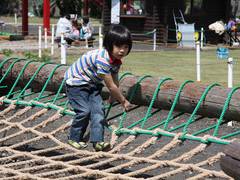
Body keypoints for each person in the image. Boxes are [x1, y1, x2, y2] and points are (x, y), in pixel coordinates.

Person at [65, 24, 133, 151]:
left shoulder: (116, 60)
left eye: (126, 47)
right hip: (76, 83)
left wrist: (113, 97)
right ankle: (74, 138)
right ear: (109, 45)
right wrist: (123, 101)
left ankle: (98, 141)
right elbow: (111, 85)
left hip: (92, 84)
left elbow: (115, 82)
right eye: (118, 46)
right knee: (84, 111)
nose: (122, 50)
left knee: (98, 110)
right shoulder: (103, 59)